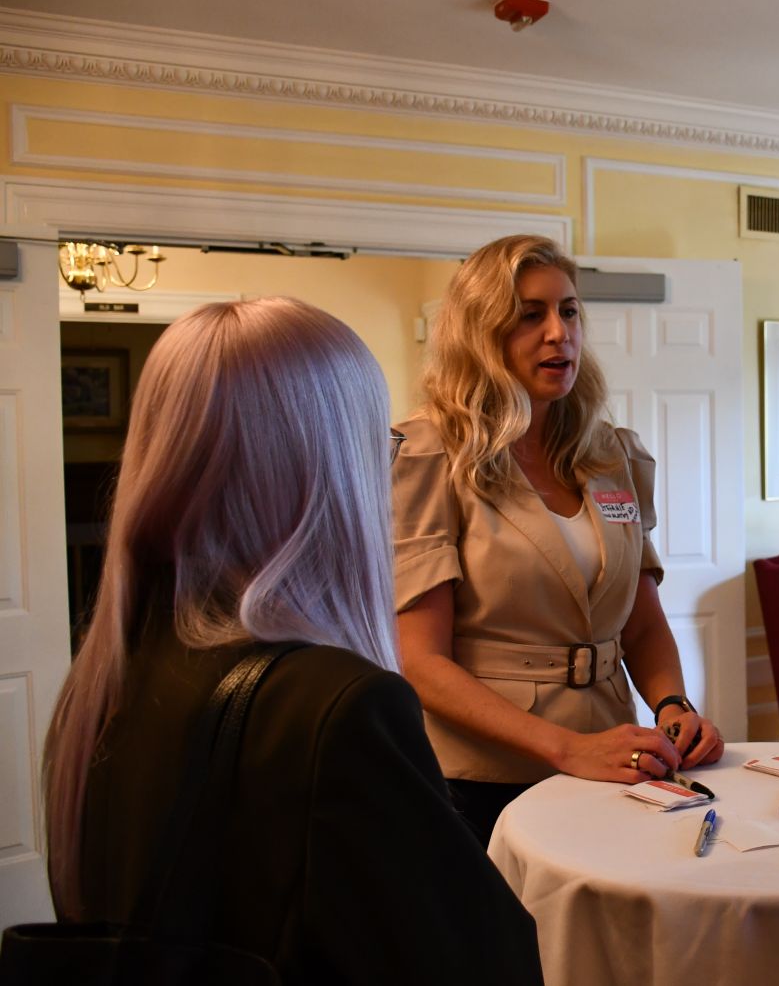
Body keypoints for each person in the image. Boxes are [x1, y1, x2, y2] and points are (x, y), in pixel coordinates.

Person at [42, 298, 541, 983]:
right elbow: (484, 962)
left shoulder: (113, 677)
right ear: (323, 467)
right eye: (377, 441)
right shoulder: (336, 708)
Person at [392, 234, 723, 845]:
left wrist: (673, 706)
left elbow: (640, 622)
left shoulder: (610, 455)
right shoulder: (431, 454)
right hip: (483, 777)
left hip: (611, 756)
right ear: (481, 334)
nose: (557, 332)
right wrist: (566, 748)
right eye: (529, 315)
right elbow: (421, 663)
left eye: (568, 311)